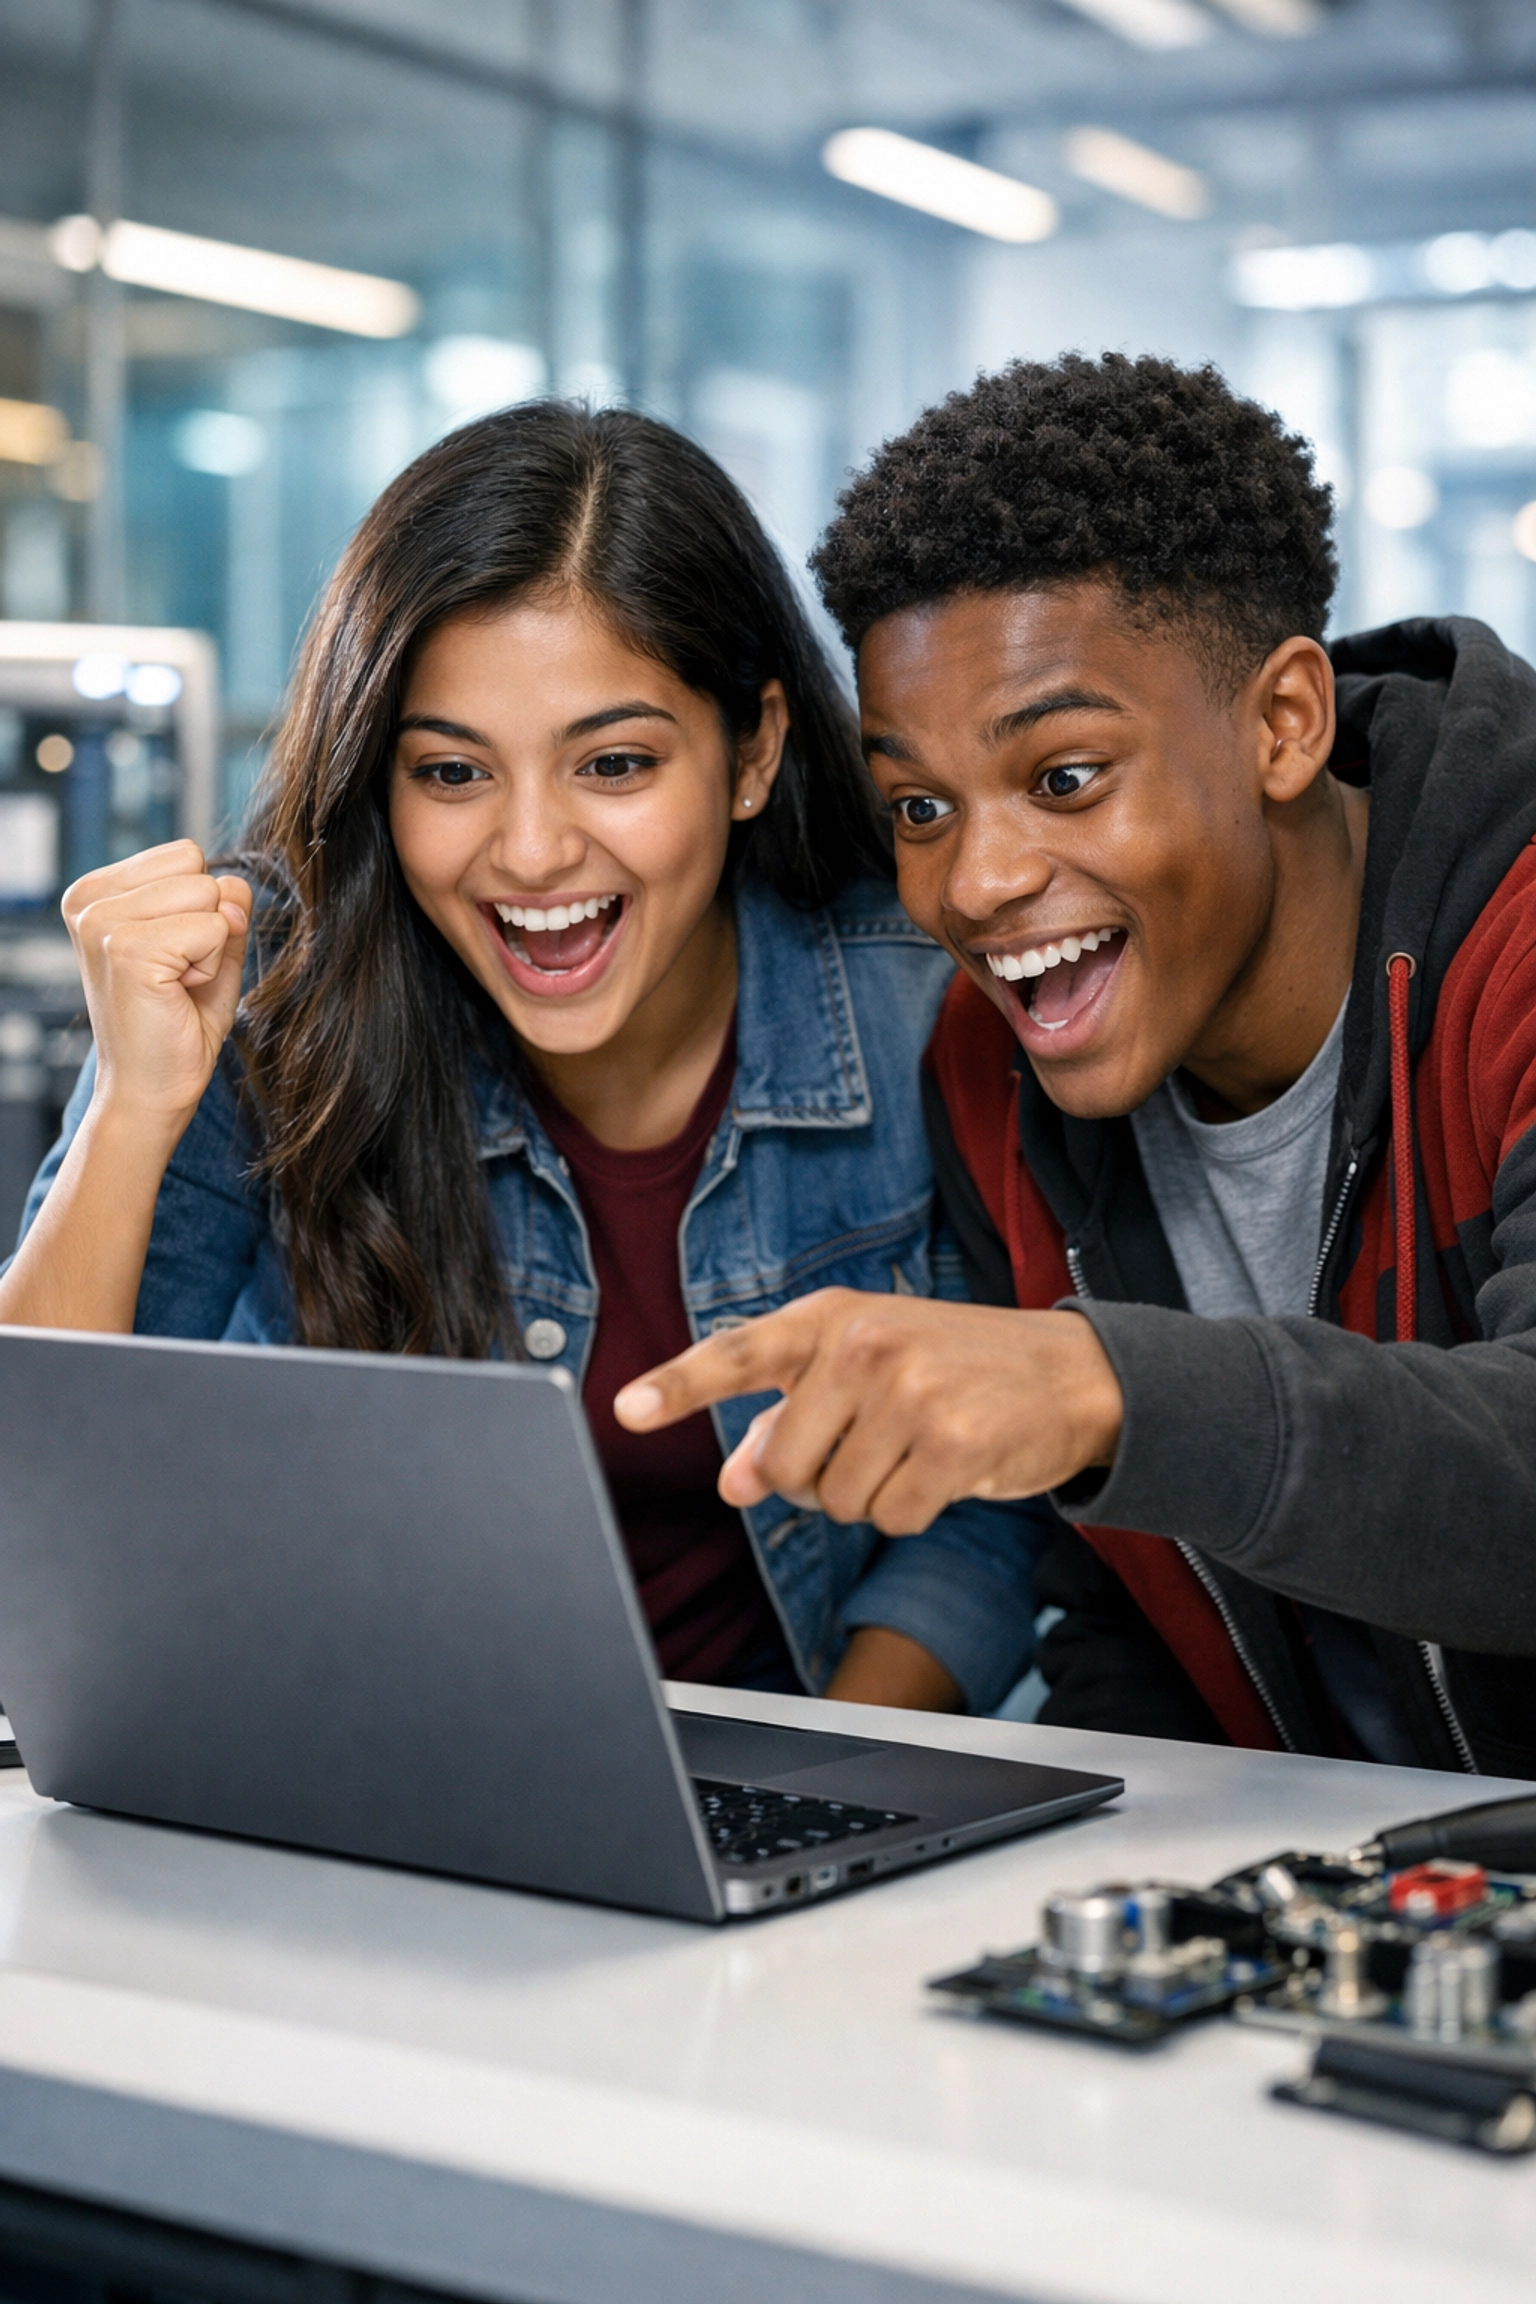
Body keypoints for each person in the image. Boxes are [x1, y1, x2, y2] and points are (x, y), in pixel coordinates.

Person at [0, 402, 1043, 1716]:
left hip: (785, 1780)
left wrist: (832, 1778)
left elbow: (984, 1516)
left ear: (753, 751)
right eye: (452, 774)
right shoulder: (264, 991)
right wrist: (138, 1107)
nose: (534, 852)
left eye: (613, 762)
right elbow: (33, 1507)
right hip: (344, 1766)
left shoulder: (917, 1005)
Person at [615, 353, 1536, 1777]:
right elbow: (1125, 1629)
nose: (976, 883)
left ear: (1283, 724)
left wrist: (1101, 1386)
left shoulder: (1513, 954)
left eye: (1063, 779)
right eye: (918, 805)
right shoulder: (990, 1069)